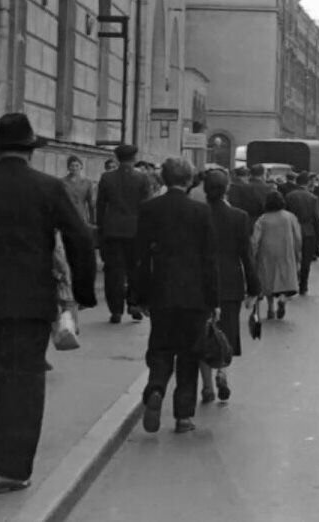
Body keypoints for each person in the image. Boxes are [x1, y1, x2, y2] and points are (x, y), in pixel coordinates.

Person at [0, 113, 97, 493]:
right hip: (29, 302)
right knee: (22, 383)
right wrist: (83, 295)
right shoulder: (48, 188)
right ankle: (11, 469)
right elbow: (82, 239)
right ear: (30, 152)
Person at [133, 158, 218, 435]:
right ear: (189, 179)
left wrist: (138, 295)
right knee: (189, 355)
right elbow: (209, 260)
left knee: (160, 346)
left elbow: (140, 257)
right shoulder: (201, 211)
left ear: (164, 178)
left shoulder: (149, 209)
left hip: (161, 291)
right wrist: (213, 300)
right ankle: (183, 416)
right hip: (194, 296)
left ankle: (156, 387)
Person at [198, 169, 260, 404]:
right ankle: (223, 373)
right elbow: (247, 255)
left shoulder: (198, 213)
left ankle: (206, 387)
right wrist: (254, 287)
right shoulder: (239, 217)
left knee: (203, 334)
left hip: (201, 282)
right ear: (227, 189)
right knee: (226, 332)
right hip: (231, 282)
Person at [97, 144, 151, 323]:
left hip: (112, 230)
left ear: (117, 158)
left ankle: (116, 309)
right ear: (134, 158)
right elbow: (146, 207)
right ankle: (133, 303)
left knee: (113, 271)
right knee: (135, 268)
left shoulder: (106, 178)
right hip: (135, 230)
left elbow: (100, 206)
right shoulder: (142, 178)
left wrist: (101, 228)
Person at [252, 191, 301, 320]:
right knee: (285, 278)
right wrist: (298, 252)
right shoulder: (290, 217)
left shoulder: (262, 219)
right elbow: (297, 236)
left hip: (267, 252)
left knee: (268, 279)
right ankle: (283, 299)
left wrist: (253, 254)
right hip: (286, 251)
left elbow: (255, 239)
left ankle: (270, 308)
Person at [284, 172, 319, 296]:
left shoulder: (289, 196)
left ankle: (292, 282)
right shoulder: (313, 198)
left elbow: (285, 214)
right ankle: (303, 285)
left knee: (292, 258)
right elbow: (317, 218)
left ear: (296, 182)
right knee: (306, 260)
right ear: (307, 183)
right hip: (308, 230)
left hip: (292, 229)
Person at [62, 155, 96, 232]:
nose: (74, 168)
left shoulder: (87, 182)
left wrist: (92, 220)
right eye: (71, 166)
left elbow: (91, 203)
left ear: (81, 167)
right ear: (68, 167)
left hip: (82, 216)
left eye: (77, 165)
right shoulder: (62, 182)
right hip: (67, 216)